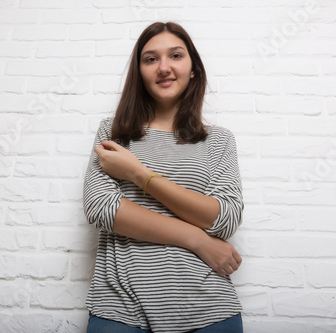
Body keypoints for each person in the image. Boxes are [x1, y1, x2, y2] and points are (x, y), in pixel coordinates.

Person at [83, 21, 244, 333]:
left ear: (193, 68)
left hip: (210, 311)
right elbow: (103, 209)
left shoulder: (219, 140)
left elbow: (223, 218)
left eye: (176, 56)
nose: (164, 68)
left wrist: (136, 173)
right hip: (120, 310)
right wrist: (198, 239)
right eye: (151, 59)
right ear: (139, 71)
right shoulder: (113, 133)